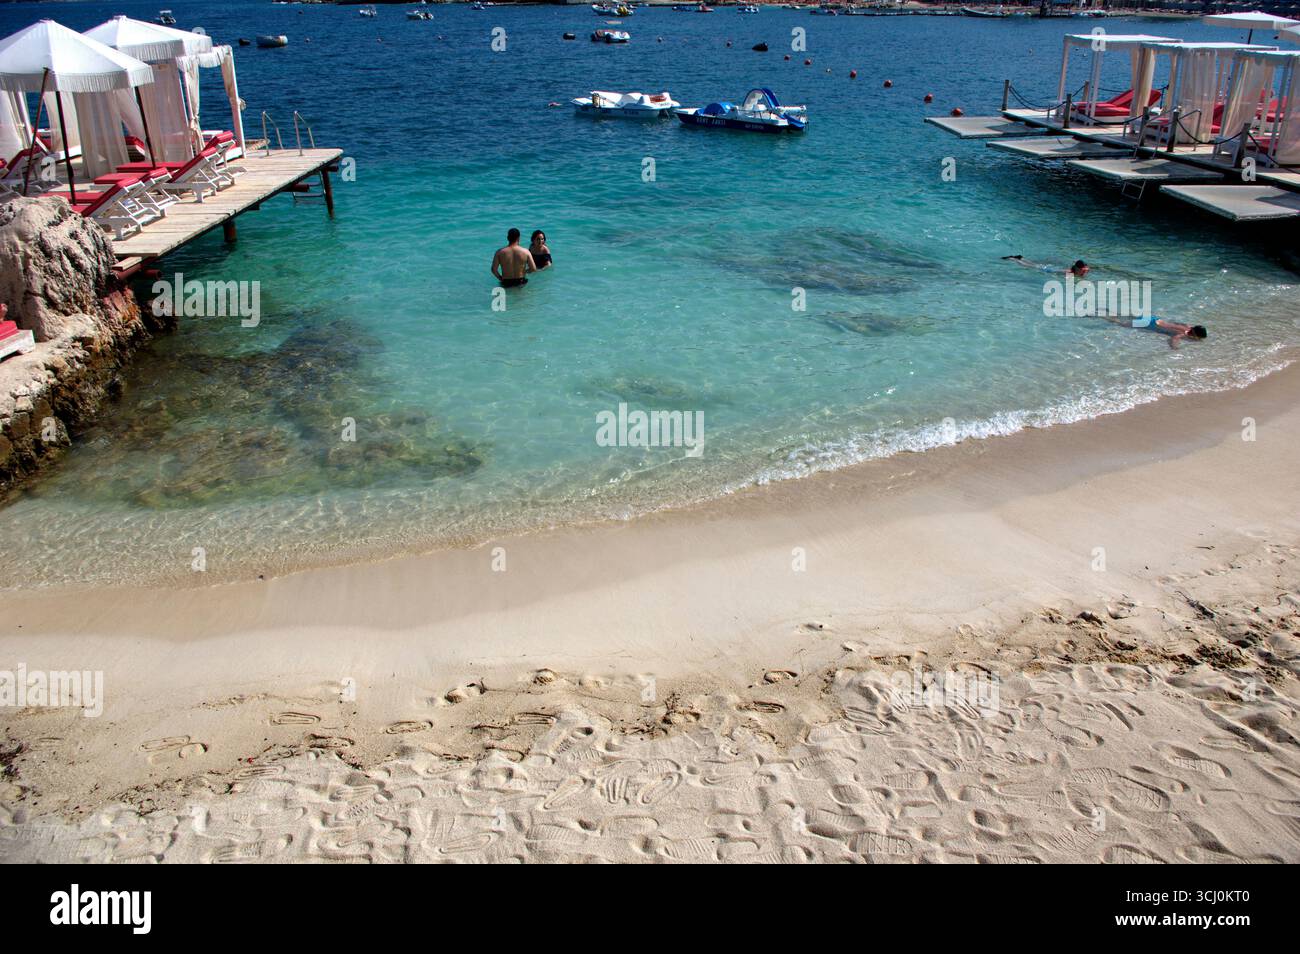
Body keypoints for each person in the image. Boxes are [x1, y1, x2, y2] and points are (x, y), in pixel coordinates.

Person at [1098, 313, 1208, 349]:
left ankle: (1108, 312)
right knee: (1121, 323)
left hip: (1154, 318)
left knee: (1126, 316)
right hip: (1149, 324)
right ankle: (1102, 316)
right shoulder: (1183, 333)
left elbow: (1176, 322)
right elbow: (1174, 339)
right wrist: (1175, 348)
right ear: (1195, 335)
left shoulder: (1187, 326)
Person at [1003, 255, 1089, 278]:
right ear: (1077, 268)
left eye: (1084, 268)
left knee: (1034, 264)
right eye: (1082, 269)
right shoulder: (1070, 273)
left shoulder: (1080, 270)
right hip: (1048, 270)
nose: (1084, 270)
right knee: (1029, 266)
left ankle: (1021, 257)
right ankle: (1013, 259)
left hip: (1051, 268)